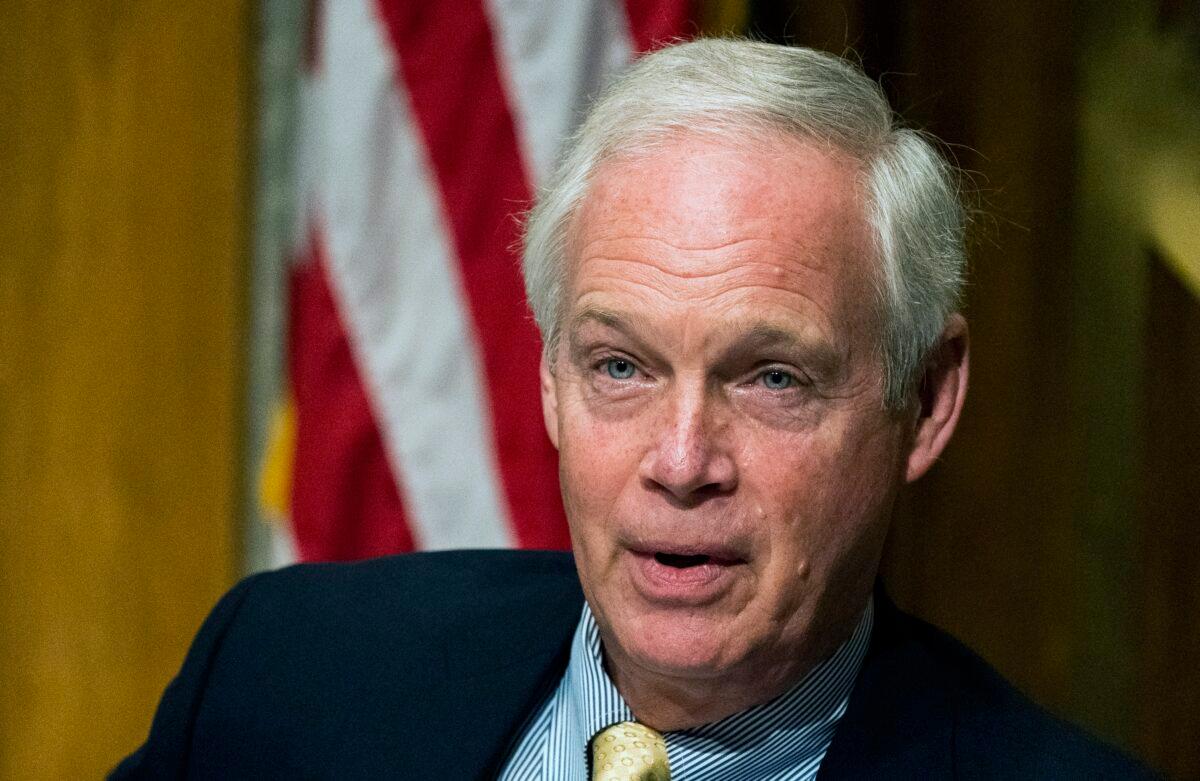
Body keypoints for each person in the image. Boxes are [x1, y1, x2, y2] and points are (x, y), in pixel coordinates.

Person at [113, 39, 1153, 779]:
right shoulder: (286, 674)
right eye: (621, 366)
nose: (682, 458)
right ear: (550, 382)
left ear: (924, 400)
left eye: (770, 378)